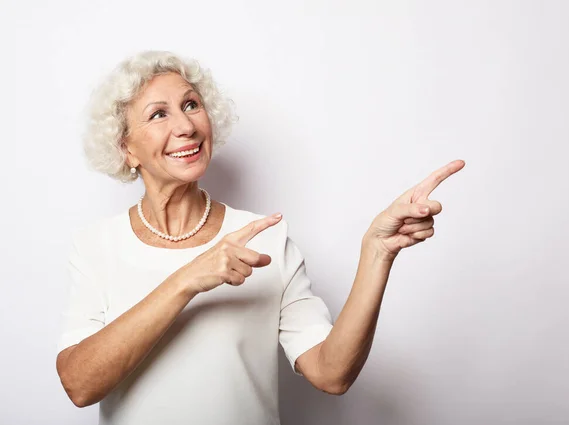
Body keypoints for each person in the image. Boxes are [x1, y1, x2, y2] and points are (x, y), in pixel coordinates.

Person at [55, 50, 465, 425]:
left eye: (191, 105)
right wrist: (186, 280)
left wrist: (376, 253)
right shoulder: (97, 246)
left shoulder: (266, 240)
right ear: (127, 148)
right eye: (159, 114)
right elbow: (79, 384)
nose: (186, 126)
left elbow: (331, 373)